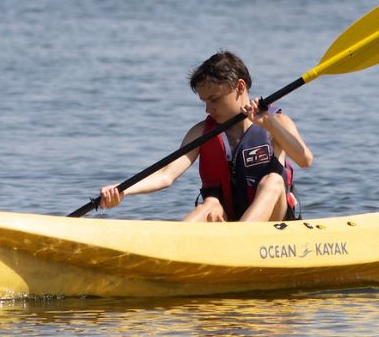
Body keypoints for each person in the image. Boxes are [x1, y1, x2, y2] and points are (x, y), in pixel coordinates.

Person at [96, 51, 314, 222]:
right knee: (210, 205)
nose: (208, 109)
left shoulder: (276, 122)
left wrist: (268, 122)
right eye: (204, 101)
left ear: (239, 87)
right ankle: (172, 252)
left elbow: (305, 159)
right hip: (226, 221)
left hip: (274, 224)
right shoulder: (201, 132)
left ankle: (238, 244)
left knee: (273, 181)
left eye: (214, 99)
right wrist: (122, 190)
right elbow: (165, 175)